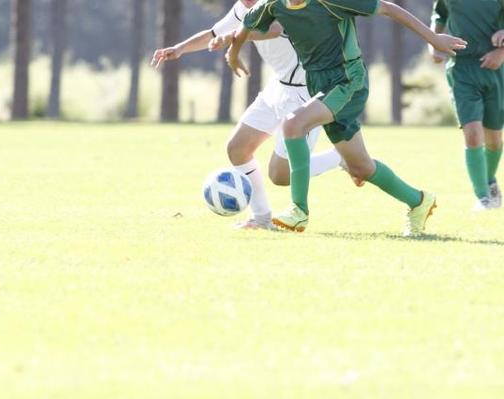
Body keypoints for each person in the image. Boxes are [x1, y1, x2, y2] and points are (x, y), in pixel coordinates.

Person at [226, 0, 467, 236]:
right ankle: (419, 201)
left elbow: (387, 7)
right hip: (319, 84)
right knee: (361, 167)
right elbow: (247, 24)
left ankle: (299, 210)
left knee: (293, 124)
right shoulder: (272, 5)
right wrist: (234, 55)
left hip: (347, 80)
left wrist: (434, 39)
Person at [151, 0, 344, 230]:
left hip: (305, 93)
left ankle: (341, 157)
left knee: (280, 174)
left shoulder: (280, 3)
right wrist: (180, 48)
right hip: (278, 86)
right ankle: (261, 218)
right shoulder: (242, 7)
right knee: (238, 148)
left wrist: (236, 36)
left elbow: (274, 29)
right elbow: (213, 33)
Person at [430, 0, 504, 211]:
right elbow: (439, 16)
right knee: (472, 134)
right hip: (461, 68)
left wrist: (501, 53)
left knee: (494, 140)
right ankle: (483, 198)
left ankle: (489, 181)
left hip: (496, 68)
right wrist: (433, 44)